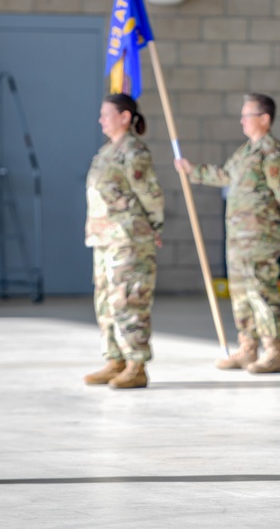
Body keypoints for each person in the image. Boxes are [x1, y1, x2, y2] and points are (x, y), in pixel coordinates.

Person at [175, 94, 280, 374]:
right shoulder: (244, 153)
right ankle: (247, 348)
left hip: (260, 237)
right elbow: (224, 176)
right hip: (238, 238)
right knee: (241, 294)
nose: (242, 120)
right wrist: (192, 171)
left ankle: (273, 352)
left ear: (264, 119)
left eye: (247, 115)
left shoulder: (272, 152)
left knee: (261, 291)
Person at [83, 94, 164, 390]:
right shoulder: (107, 151)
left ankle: (136, 364)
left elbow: (150, 194)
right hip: (104, 239)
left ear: (125, 117)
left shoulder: (134, 151)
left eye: (107, 114)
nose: (101, 120)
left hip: (129, 238)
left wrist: (154, 225)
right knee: (106, 301)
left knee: (129, 299)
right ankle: (115, 359)